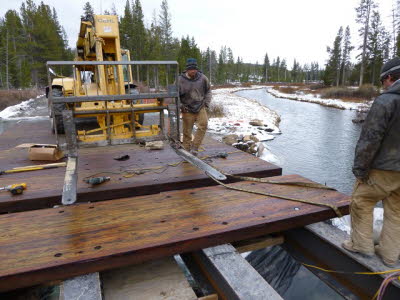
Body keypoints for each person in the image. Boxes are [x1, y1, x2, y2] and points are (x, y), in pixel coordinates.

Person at [342, 57, 400, 267]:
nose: (383, 85)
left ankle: (362, 246)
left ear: (390, 78)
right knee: (397, 211)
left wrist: (359, 169)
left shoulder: (386, 101)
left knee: (362, 202)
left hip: (383, 169)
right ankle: (390, 255)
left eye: (383, 80)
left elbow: (370, 139)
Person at [178, 58, 212, 155]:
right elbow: (175, 95)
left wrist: (206, 103)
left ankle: (195, 147)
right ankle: (186, 150)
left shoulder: (203, 78)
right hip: (187, 109)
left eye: (195, 69)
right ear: (187, 69)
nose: (193, 71)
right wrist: (180, 106)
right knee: (187, 132)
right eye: (191, 69)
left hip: (200, 107)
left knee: (203, 125)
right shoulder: (180, 80)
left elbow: (208, 91)